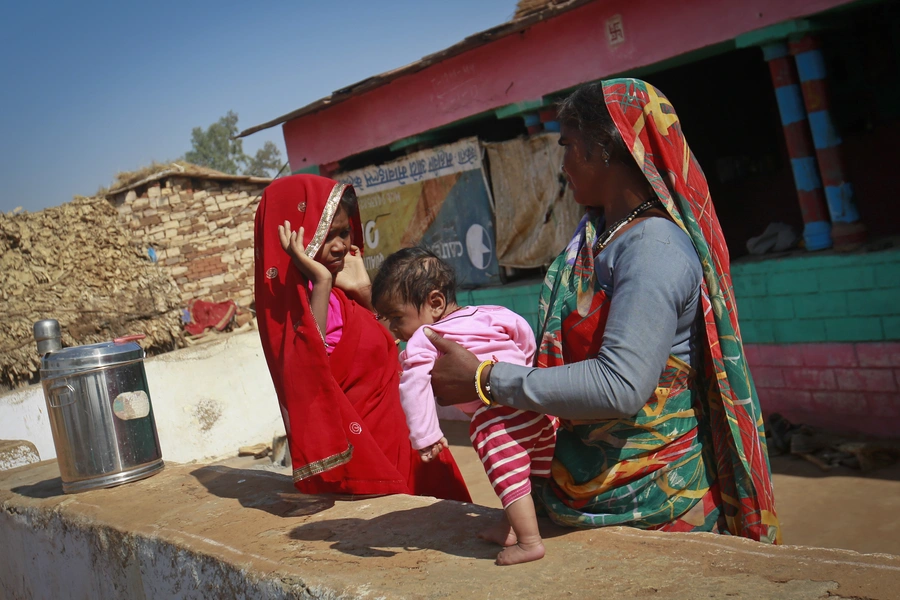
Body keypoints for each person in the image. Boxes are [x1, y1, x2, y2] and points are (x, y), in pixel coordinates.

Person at [426, 79, 781, 543]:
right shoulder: (602, 239)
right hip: (584, 493)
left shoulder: (652, 249)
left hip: (653, 500)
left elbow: (621, 385)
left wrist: (485, 379)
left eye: (569, 145)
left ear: (606, 147)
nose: (563, 164)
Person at [254, 174, 471, 502]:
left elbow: (389, 338)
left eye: (344, 232)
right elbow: (310, 369)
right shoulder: (297, 317)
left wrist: (362, 290)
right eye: (327, 235)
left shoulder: (343, 296)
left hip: (405, 441)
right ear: (299, 237)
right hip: (370, 459)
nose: (341, 245)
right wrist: (322, 281)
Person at [371, 247, 558, 565]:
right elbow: (525, 336)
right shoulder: (492, 313)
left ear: (434, 303)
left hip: (496, 418)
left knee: (509, 476)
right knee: (525, 476)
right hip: (534, 409)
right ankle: (509, 526)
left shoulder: (425, 336)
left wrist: (426, 435)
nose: (393, 329)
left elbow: (413, 386)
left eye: (396, 317)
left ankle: (529, 542)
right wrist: (526, 380)